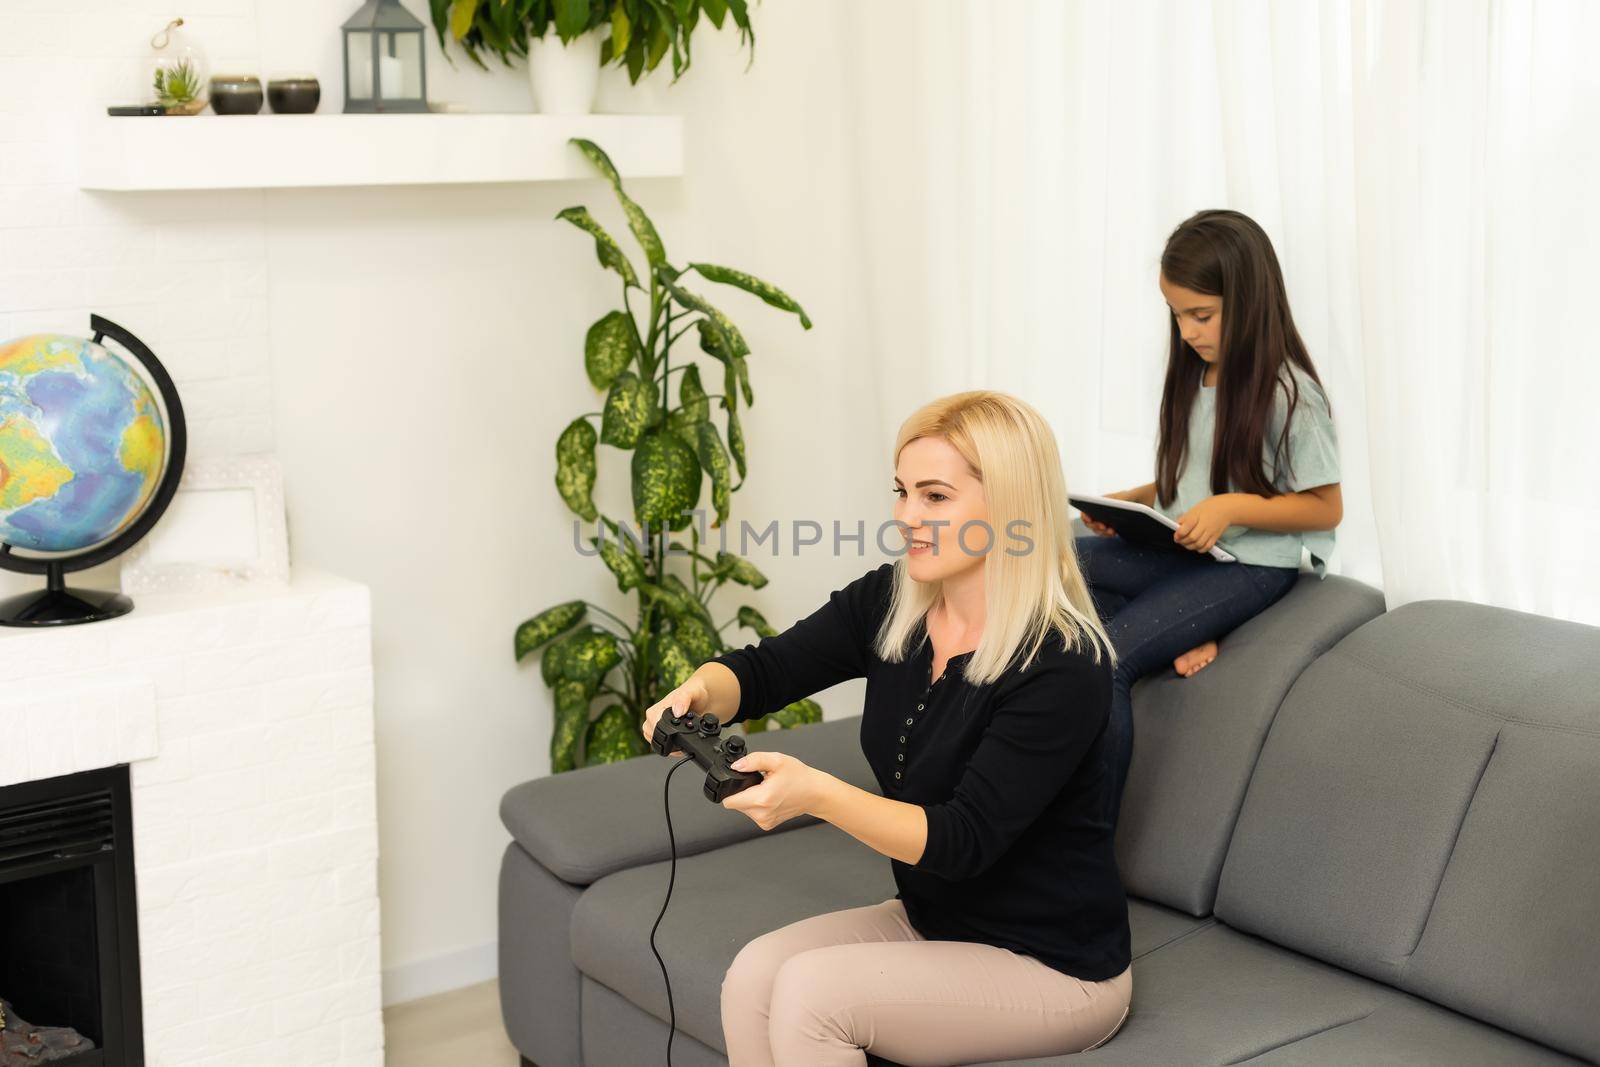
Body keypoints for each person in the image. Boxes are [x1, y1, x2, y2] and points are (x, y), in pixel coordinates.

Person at [642, 391, 1132, 1067]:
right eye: (902, 491)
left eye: (934, 496)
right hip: (936, 924)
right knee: (754, 976)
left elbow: (962, 841)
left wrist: (814, 793)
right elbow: (766, 670)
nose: (905, 517)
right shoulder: (893, 599)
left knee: (814, 995)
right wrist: (702, 688)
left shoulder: (1062, 662)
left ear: (1011, 505)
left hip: (1056, 963)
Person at [1077, 208, 1343, 825]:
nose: (1187, 330)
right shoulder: (1194, 376)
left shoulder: (1289, 393)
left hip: (1247, 566)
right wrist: (1136, 502)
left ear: (1249, 301)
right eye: (1176, 314)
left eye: (1202, 315)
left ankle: (1087, 847)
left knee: (1108, 660)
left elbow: (1326, 506)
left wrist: (1231, 507)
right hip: (1186, 553)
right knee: (1051, 567)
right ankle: (1183, 620)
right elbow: (1195, 481)